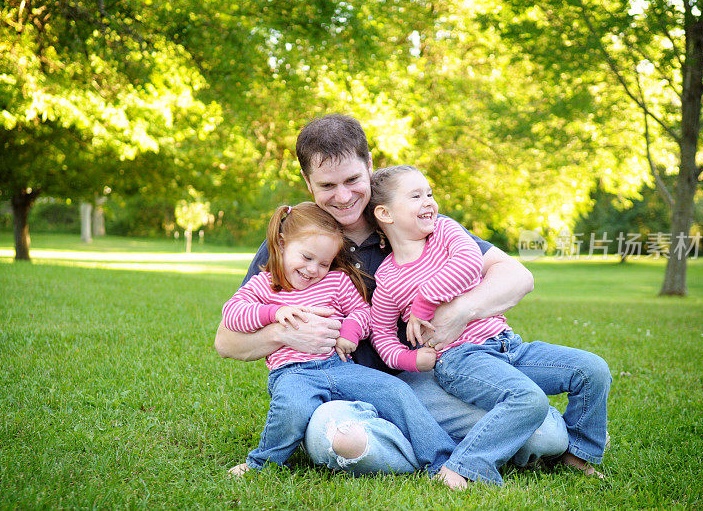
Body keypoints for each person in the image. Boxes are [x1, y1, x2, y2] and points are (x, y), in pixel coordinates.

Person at [215, 114, 569, 478]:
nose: (343, 196)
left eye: (353, 179)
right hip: (333, 388)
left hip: (421, 382)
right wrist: (282, 332)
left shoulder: (409, 219)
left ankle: (421, 446)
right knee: (342, 441)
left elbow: (517, 276)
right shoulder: (297, 242)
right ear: (308, 182)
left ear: (369, 165)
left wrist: (459, 312)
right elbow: (226, 341)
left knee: (547, 436)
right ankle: (446, 452)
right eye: (327, 185)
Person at [367, 165, 612, 484]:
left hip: (507, 344)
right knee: (527, 399)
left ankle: (578, 453)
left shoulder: (444, 231)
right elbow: (383, 337)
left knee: (591, 369)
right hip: (460, 359)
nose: (429, 201)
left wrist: (425, 301)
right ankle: (462, 466)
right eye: (416, 196)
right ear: (385, 213)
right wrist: (411, 359)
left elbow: (469, 263)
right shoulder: (389, 279)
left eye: (429, 193)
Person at [222, 202, 461, 486]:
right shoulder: (265, 285)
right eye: (307, 257)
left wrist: (349, 332)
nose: (313, 269)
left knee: (395, 390)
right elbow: (232, 314)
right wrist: (272, 314)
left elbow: (363, 312)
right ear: (282, 244)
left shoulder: (335, 282)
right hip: (292, 372)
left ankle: (441, 459)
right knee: (292, 407)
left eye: (323, 263)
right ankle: (262, 463)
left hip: (338, 365)